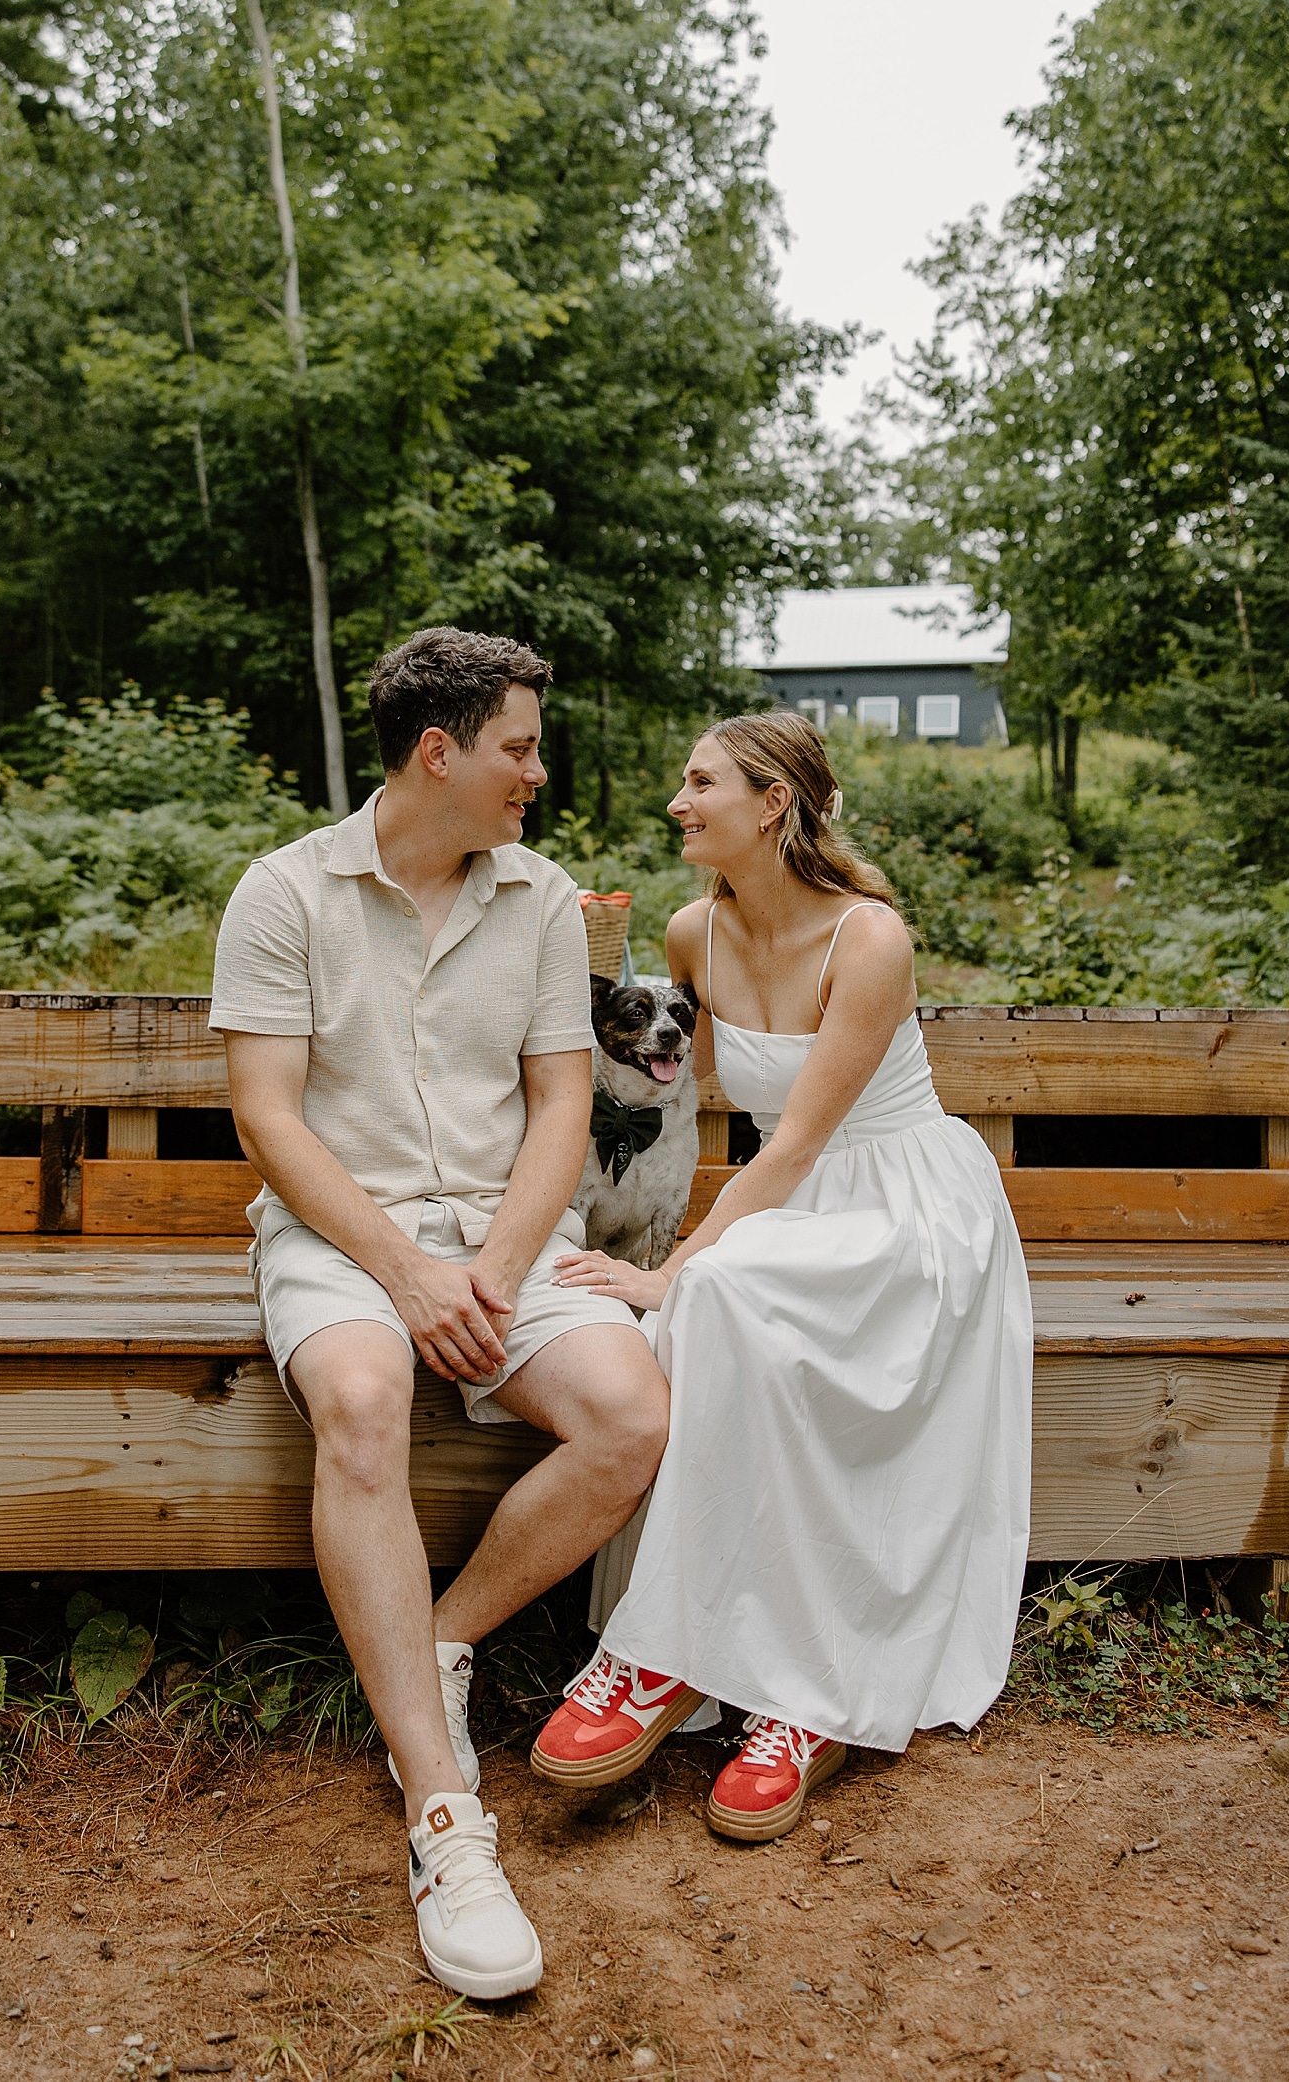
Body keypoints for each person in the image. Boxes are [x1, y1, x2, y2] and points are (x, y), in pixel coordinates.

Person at [209, 627, 670, 1996]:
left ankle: (443, 1639)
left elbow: (562, 1105)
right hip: (342, 1240)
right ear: (441, 751)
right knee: (360, 1398)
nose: (535, 771)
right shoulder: (285, 893)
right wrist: (406, 1275)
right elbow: (269, 1119)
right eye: (519, 746)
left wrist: (497, 1267)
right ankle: (441, 1816)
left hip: (503, 1238)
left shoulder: (537, 902)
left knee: (632, 1407)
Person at [531, 710, 1033, 1839]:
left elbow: (797, 1141)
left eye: (699, 781)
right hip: (787, 1206)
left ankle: (787, 1692)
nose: (676, 800)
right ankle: (680, 1655)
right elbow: (676, 1099)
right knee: (720, 1305)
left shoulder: (871, 941)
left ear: (771, 803)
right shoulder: (688, 934)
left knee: (711, 1298)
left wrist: (672, 1272)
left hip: (905, 1210)